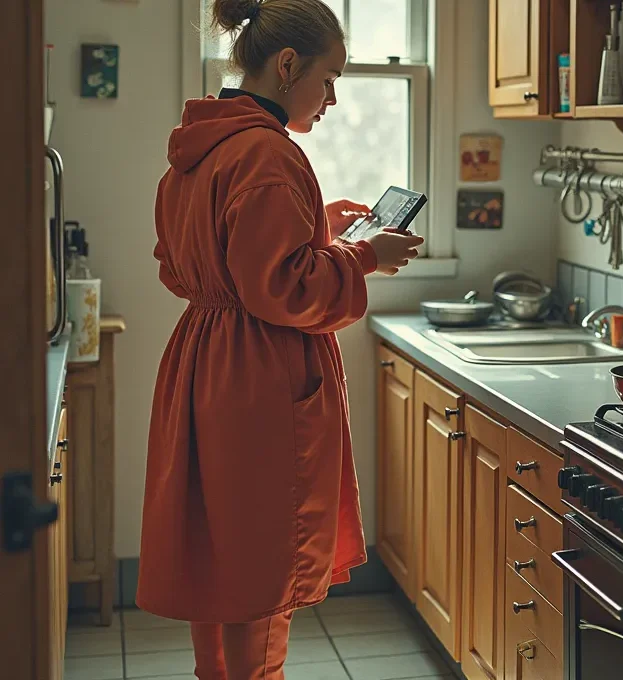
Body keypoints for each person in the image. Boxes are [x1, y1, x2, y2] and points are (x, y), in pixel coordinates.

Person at [136, 0, 423, 677]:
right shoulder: (270, 154)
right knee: (263, 559)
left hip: (203, 365)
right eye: (329, 79)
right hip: (258, 378)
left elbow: (195, 260)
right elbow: (286, 290)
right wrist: (363, 257)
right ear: (288, 65)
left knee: (221, 557)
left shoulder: (201, 145)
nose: (332, 98)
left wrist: (315, 225)